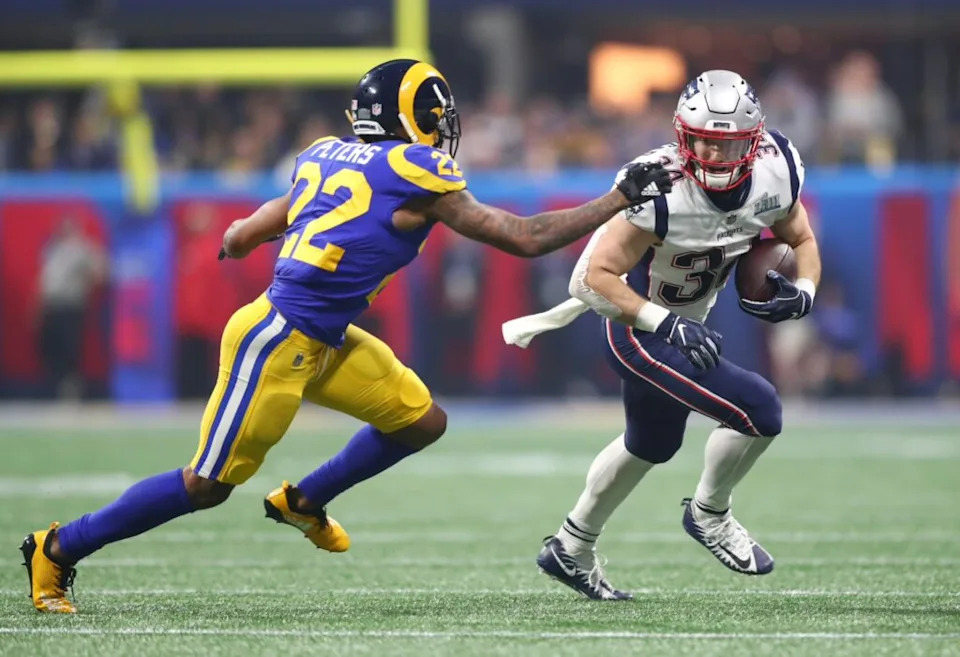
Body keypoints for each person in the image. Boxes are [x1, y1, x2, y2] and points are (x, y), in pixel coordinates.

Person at [21, 58, 672, 613]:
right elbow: (524, 238)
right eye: (435, 116)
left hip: (325, 335)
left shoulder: (323, 154)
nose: (444, 130)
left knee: (420, 420)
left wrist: (237, 236)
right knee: (206, 485)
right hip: (277, 338)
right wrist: (616, 198)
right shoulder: (415, 171)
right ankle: (58, 546)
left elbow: (258, 223)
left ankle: (304, 499)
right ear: (409, 116)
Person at [503, 70, 821, 600]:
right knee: (760, 409)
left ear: (755, 140)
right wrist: (663, 321)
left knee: (650, 442)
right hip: (640, 328)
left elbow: (800, 236)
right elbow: (589, 279)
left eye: (729, 145)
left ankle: (569, 547)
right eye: (702, 142)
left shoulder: (776, 171)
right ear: (681, 135)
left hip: (685, 321)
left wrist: (805, 288)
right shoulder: (657, 186)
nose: (715, 157)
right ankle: (709, 514)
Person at [37, 215, 108, 400]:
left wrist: (86, 283)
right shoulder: (53, 248)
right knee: (52, 347)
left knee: (71, 348)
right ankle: (57, 386)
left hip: (71, 304)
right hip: (52, 304)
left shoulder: (82, 248)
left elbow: (101, 271)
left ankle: (72, 390)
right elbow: (45, 280)